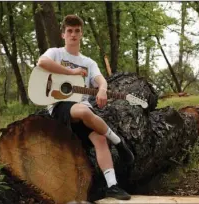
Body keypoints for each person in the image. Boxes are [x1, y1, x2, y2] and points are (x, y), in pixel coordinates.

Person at [37, 14, 134, 200]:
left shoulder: (88, 62)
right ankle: (119, 142)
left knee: (99, 138)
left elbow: (100, 80)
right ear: (63, 34)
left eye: (77, 31)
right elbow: (42, 63)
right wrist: (70, 71)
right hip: (61, 107)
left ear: (81, 34)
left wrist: (103, 89)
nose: (73, 34)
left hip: (82, 107)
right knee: (82, 110)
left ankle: (112, 185)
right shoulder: (56, 53)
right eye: (69, 31)